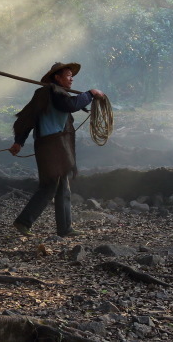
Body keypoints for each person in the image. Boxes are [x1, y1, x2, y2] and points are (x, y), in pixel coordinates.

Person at [9, 62, 104, 237]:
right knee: (49, 186)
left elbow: (29, 118)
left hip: (59, 146)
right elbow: (69, 106)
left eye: (71, 76)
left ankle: (65, 228)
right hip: (50, 146)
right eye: (68, 75)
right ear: (57, 77)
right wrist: (91, 93)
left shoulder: (57, 94)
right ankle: (23, 221)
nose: (71, 79)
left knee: (63, 187)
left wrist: (19, 142)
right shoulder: (51, 93)